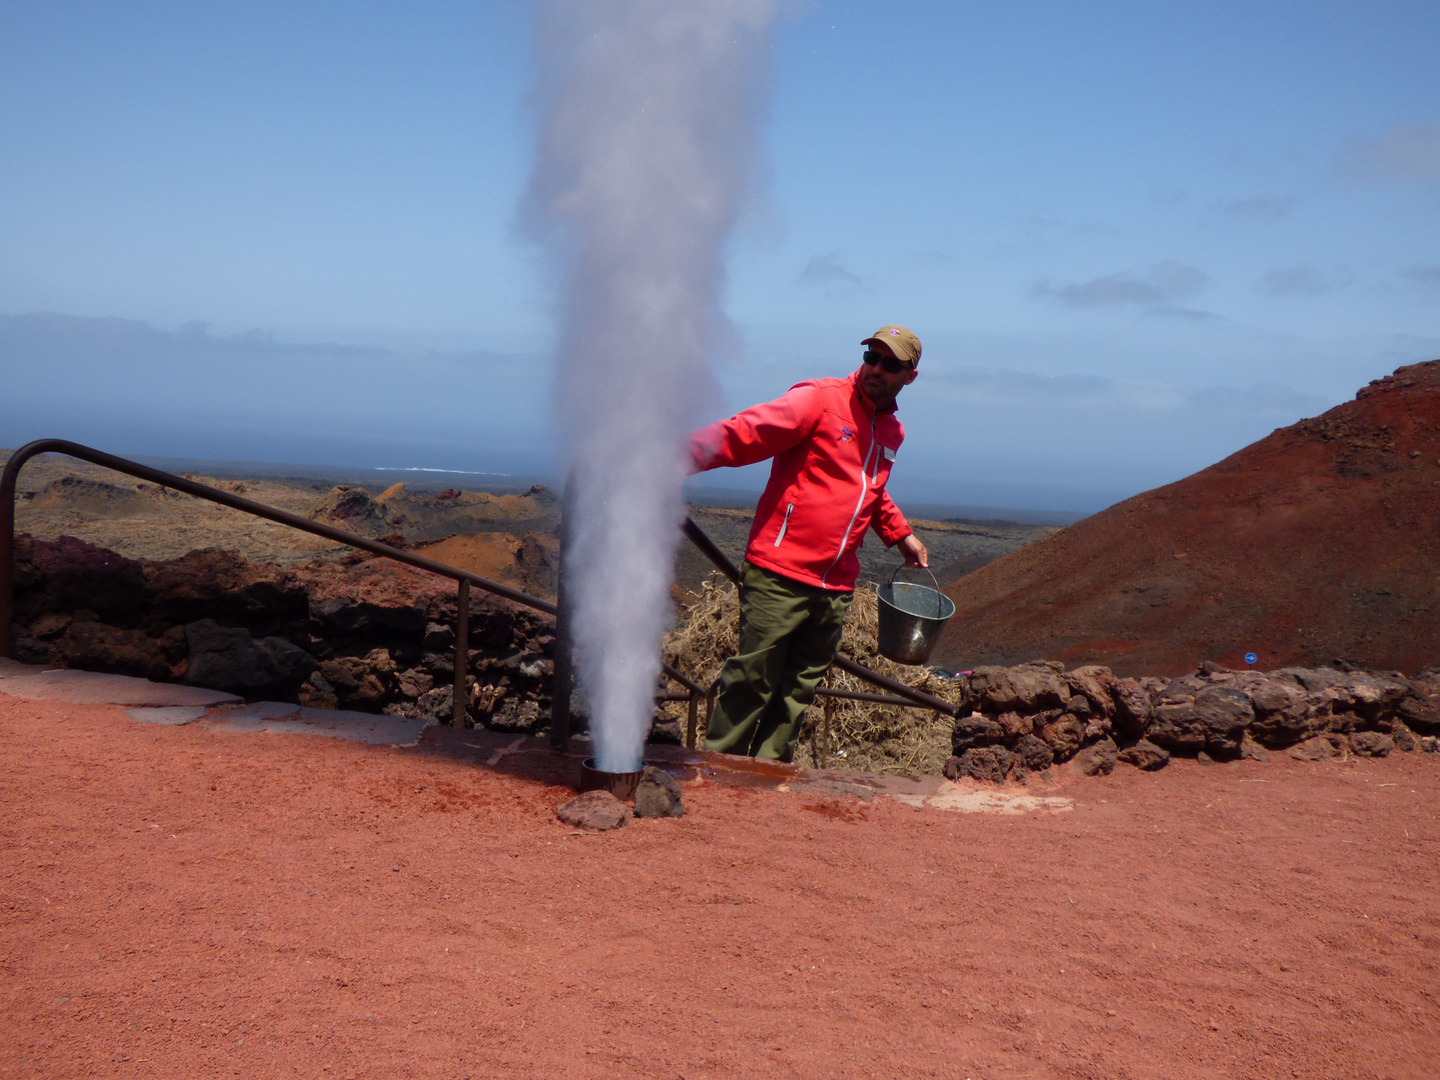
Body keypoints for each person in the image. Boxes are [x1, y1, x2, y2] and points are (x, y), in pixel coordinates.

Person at [687, 325, 929, 761]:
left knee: (797, 694)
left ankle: (765, 784)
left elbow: (868, 487)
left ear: (909, 376)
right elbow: (744, 433)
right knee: (751, 683)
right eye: (871, 357)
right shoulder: (819, 399)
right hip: (779, 574)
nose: (875, 368)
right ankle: (718, 778)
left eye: (889, 364)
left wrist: (900, 534)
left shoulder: (892, 431)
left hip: (834, 589)